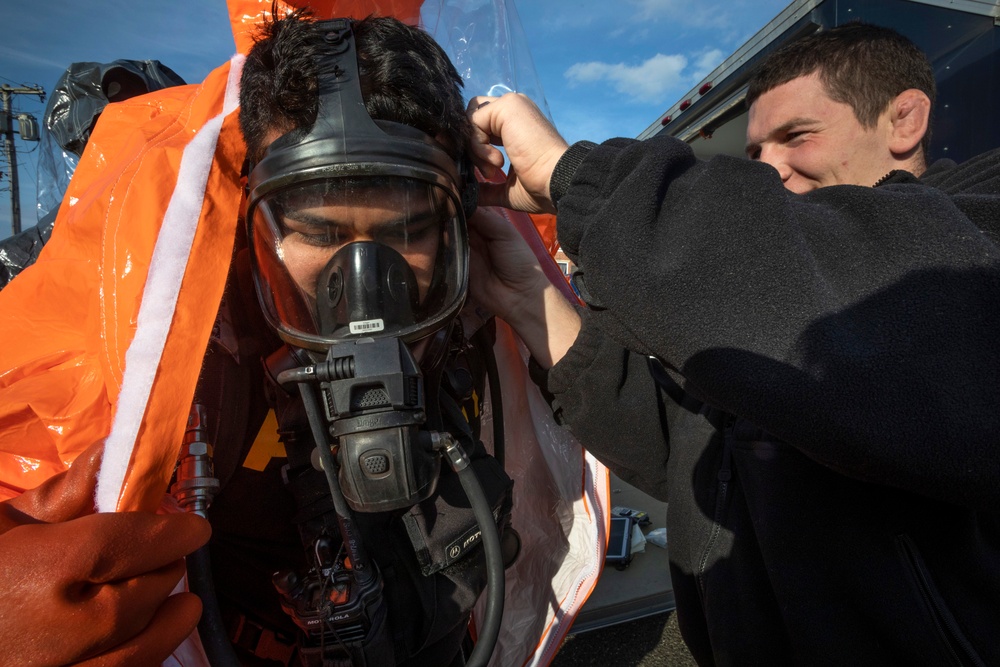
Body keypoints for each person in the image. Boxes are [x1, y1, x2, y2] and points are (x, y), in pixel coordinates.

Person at [466, 22, 1000, 665]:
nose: (770, 172)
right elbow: (684, 443)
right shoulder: (777, 306)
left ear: (905, 119)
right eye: (754, 156)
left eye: (797, 136)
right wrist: (529, 296)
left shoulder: (978, 228)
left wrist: (570, 173)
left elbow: (882, 305)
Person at [0, 11, 514, 667]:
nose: (362, 279)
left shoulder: (473, 320)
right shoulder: (183, 367)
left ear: (452, 233)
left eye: (407, 230)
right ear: (253, 229)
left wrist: (535, 303)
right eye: (320, 233)